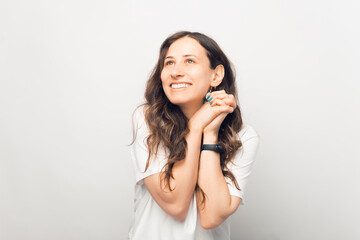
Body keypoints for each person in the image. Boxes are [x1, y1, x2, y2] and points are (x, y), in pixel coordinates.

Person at [128, 31, 260, 240]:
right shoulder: (148, 119)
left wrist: (210, 133)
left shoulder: (244, 137)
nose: (175, 71)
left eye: (189, 61)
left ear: (216, 75)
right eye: (169, 63)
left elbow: (211, 217)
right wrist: (197, 125)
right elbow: (176, 204)